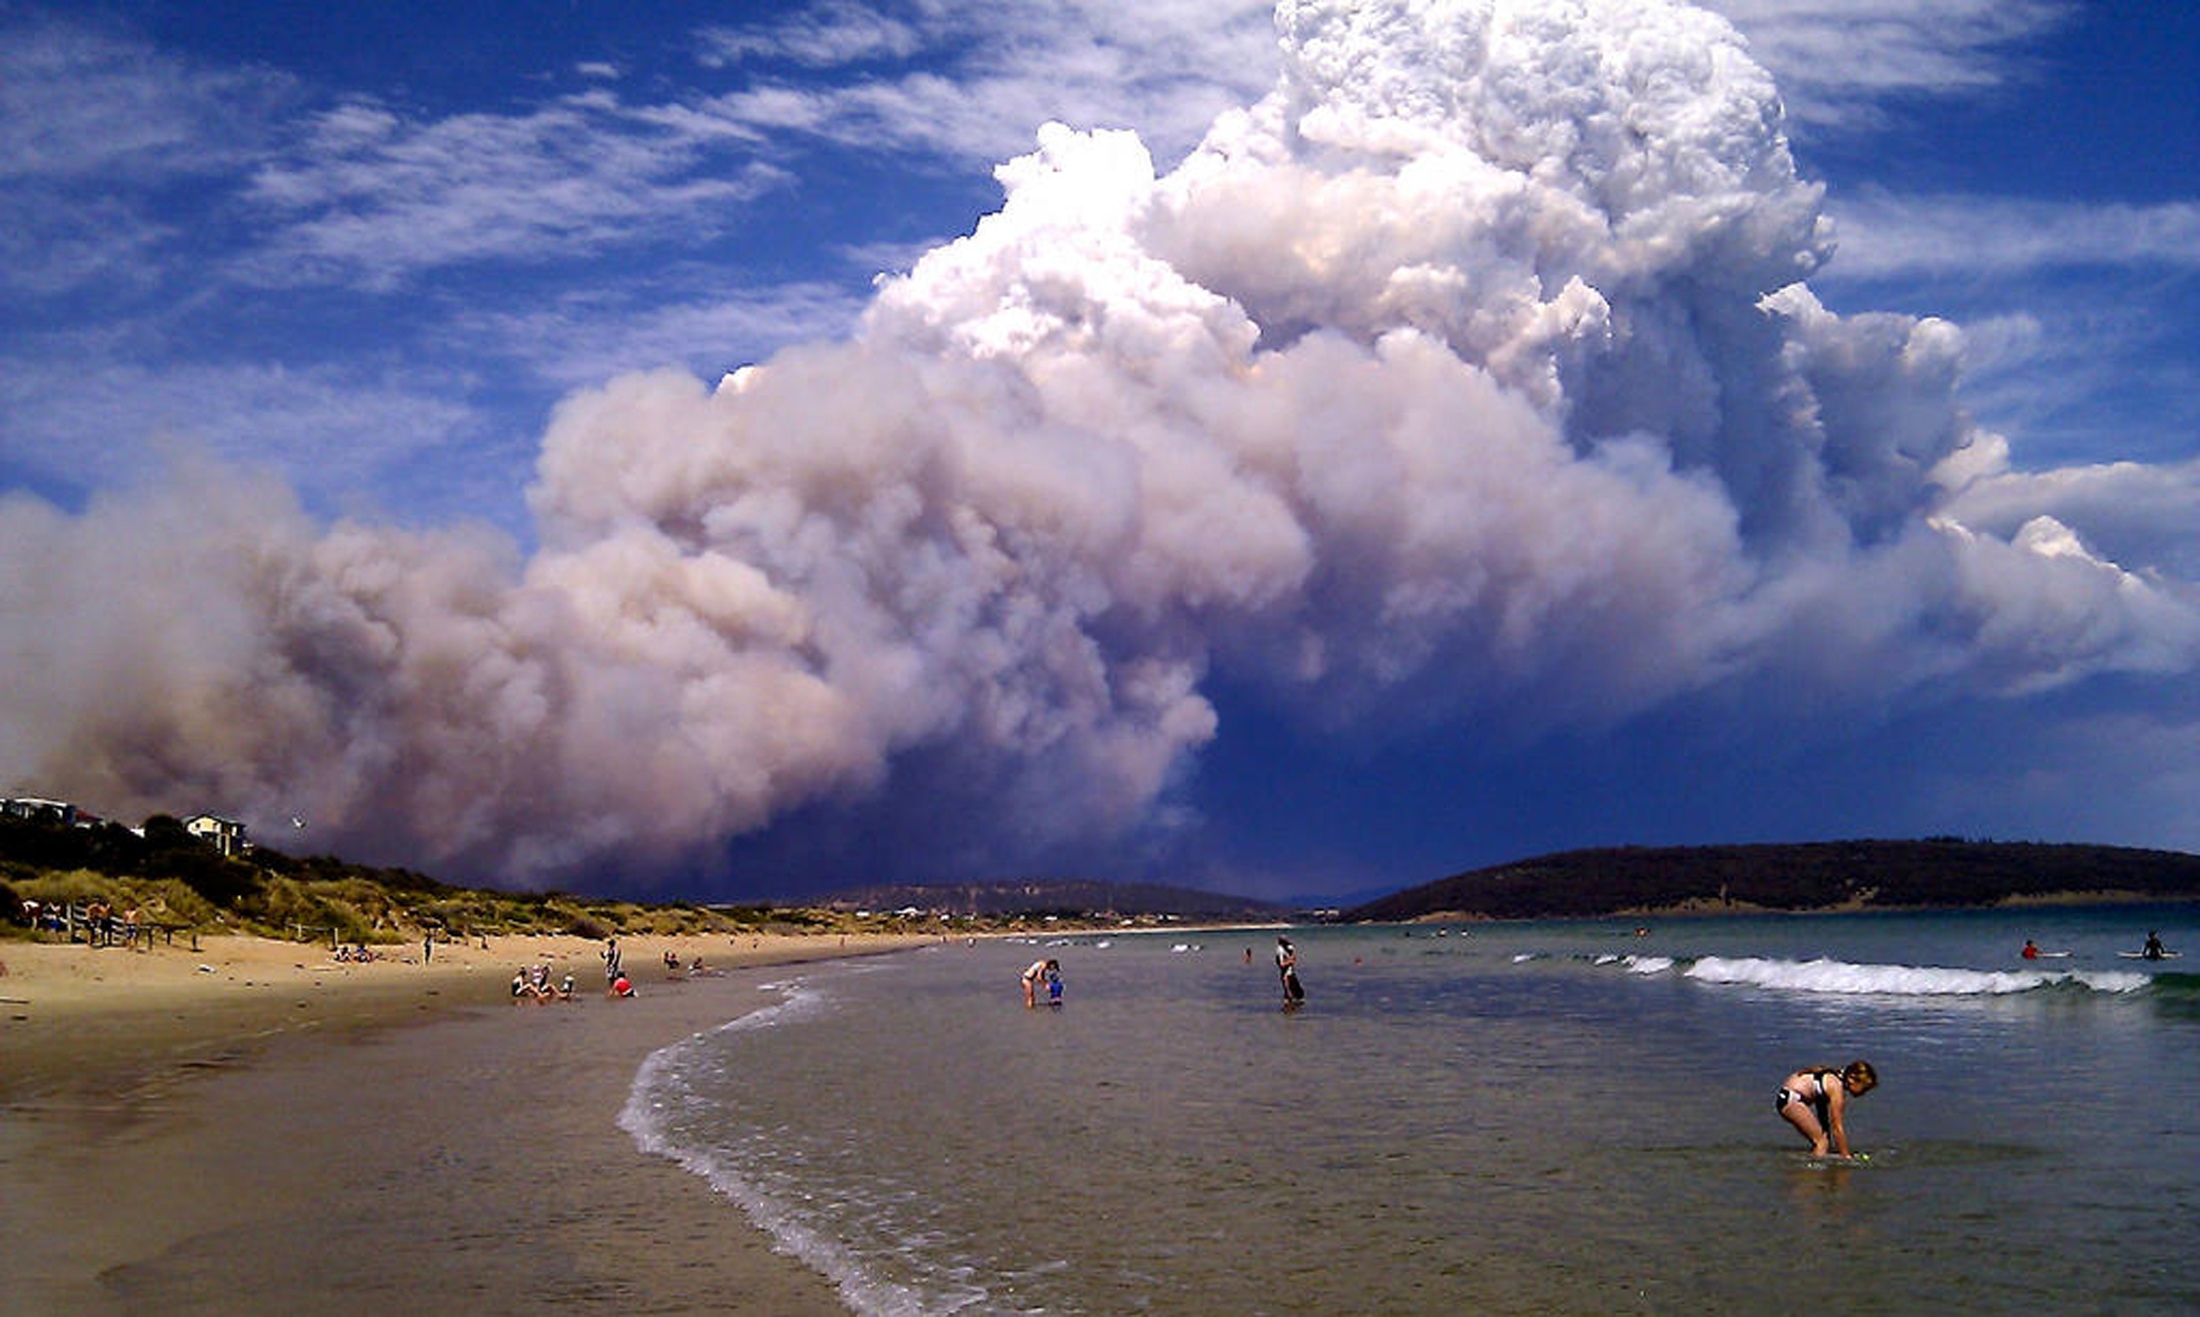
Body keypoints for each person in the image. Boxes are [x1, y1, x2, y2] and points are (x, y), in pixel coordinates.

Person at [1775, 1060, 1878, 1159]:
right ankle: (1814, 1173)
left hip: (1786, 1098)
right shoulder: (1836, 1088)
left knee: (1823, 1140)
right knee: (1821, 1142)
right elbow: (1837, 1128)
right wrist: (1846, 1156)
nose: (1863, 1093)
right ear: (1852, 1078)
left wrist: (1826, 1134)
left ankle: (1815, 1166)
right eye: (1864, 1088)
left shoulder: (1831, 1078)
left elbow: (1821, 1108)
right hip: (1792, 1100)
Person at [1276, 936, 1304, 1008]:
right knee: (1289, 995)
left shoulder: (1287, 948)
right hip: (1286, 975)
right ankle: (1288, 1012)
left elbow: (1292, 955)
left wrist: (1292, 956)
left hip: (1291, 973)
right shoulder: (1280, 951)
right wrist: (1290, 960)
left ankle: (1291, 1016)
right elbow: (1281, 964)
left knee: (1299, 994)